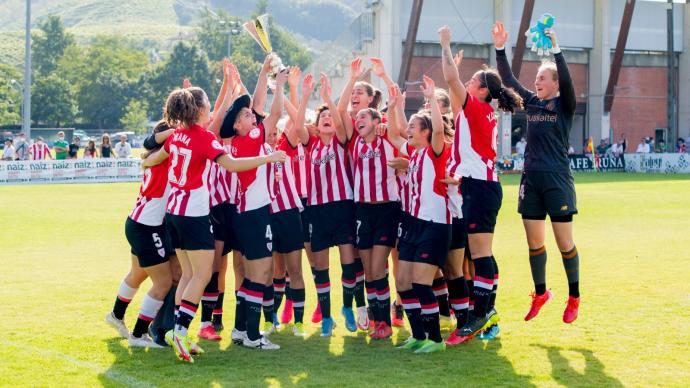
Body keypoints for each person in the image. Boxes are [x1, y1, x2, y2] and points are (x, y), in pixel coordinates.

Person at [142, 86, 286, 362]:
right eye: (208, 104)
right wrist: (268, 158)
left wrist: (146, 156)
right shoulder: (203, 137)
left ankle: (174, 329)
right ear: (199, 110)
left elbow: (150, 159)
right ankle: (180, 332)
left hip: (173, 212)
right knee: (202, 274)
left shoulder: (177, 137)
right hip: (193, 215)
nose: (211, 108)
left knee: (187, 274)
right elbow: (231, 165)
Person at [493, 21, 581, 324]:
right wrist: (501, 48)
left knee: (563, 243)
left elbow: (568, 80)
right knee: (534, 243)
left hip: (557, 179)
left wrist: (556, 49)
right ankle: (541, 293)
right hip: (530, 179)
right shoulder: (531, 102)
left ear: (555, 84)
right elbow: (507, 79)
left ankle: (574, 296)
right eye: (537, 78)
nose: (537, 81)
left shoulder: (564, 104)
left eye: (543, 78)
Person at [441, 25, 523, 343]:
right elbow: (452, 87)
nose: (467, 82)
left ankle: (482, 313)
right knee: (481, 253)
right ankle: (485, 313)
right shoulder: (475, 109)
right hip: (477, 186)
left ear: (482, 90)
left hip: (481, 187)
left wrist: (445, 44)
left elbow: (450, 81)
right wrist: (455, 68)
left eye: (472, 80)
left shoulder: (477, 108)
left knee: (480, 254)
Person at [217, 67, 289, 350]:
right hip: (253, 213)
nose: (252, 115)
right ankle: (253, 335)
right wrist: (277, 86)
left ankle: (240, 330)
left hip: (246, 213)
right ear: (237, 125)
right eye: (245, 115)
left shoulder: (241, 139)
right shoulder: (248, 139)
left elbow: (261, 108)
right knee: (261, 273)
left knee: (251, 274)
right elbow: (271, 112)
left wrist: (265, 74)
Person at [385, 75, 452, 354]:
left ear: (426, 131)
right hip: (412, 224)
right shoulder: (415, 154)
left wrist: (433, 101)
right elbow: (392, 133)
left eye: (414, 127)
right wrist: (393, 107)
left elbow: (439, 131)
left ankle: (436, 340)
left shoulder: (436, 150)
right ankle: (418, 334)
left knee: (422, 283)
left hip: (434, 225)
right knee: (403, 283)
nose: (408, 130)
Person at [292, 68, 358, 337]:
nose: (328, 119)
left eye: (330, 117)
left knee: (348, 263)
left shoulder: (341, 142)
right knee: (321, 268)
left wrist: (329, 100)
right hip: (317, 211)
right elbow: (297, 127)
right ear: (317, 126)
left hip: (343, 207)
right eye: (323, 118)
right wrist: (305, 95)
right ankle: (327, 317)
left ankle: (347, 308)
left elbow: (342, 122)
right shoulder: (312, 144)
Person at [105, 122, 175, 348]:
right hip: (147, 227)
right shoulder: (164, 159)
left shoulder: (155, 158)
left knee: (137, 274)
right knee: (163, 281)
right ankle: (138, 334)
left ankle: (116, 316)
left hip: (136, 222)